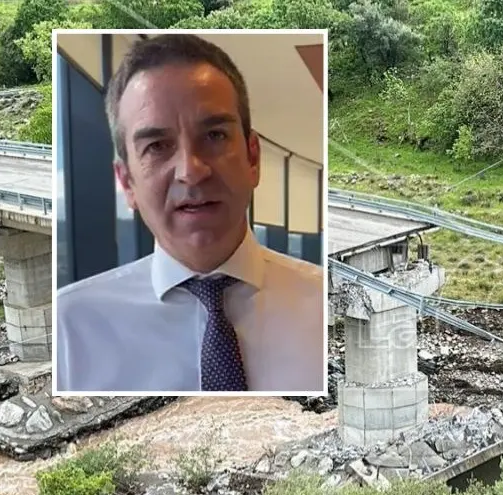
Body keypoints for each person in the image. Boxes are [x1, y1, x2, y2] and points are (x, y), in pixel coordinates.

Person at [55, 34, 325, 393]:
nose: (191, 170)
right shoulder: (70, 330)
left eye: (214, 136)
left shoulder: (324, 304)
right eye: (157, 146)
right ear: (127, 182)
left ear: (253, 159)